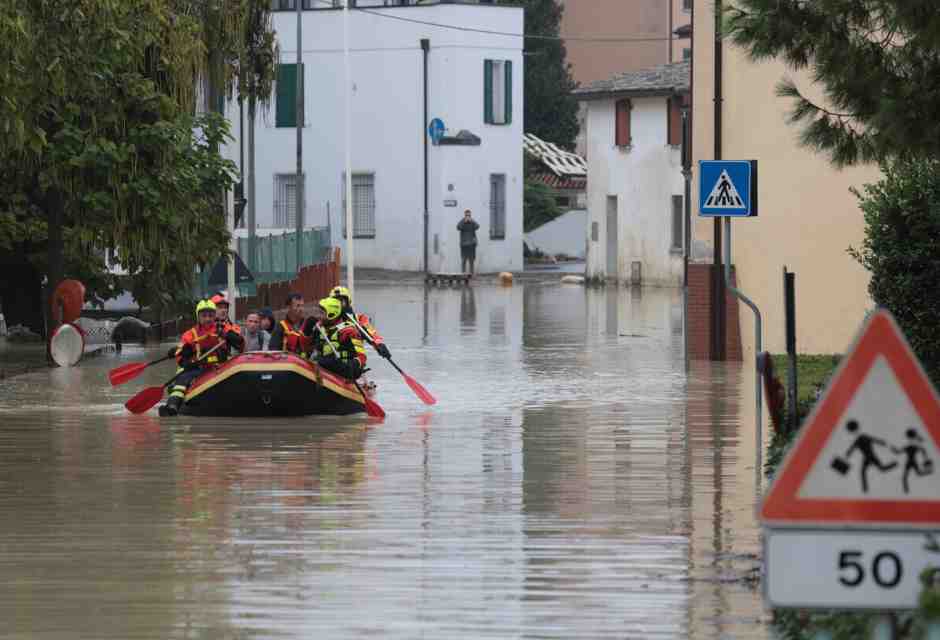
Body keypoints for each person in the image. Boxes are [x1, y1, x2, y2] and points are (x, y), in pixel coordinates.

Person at [159, 299, 244, 417]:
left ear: (215, 315)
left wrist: (230, 336)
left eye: (210, 315)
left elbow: (240, 343)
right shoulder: (190, 334)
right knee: (182, 380)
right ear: (198, 316)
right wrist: (185, 359)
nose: (208, 319)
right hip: (197, 367)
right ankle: (172, 406)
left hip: (220, 367)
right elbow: (180, 355)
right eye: (204, 316)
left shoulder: (223, 329)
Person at [310, 297, 367, 380]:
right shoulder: (320, 329)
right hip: (325, 365)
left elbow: (362, 356)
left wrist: (353, 365)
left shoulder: (349, 331)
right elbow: (313, 348)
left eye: (322, 313)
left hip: (345, 368)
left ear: (332, 314)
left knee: (329, 362)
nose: (319, 316)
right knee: (320, 360)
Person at [328, 285, 391, 359]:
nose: (339, 305)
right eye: (335, 302)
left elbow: (372, 333)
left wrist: (379, 345)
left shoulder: (359, 319)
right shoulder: (326, 319)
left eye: (341, 302)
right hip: (329, 358)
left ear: (348, 302)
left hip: (352, 361)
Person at [269, 293, 312, 357]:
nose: (301, 309)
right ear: (288, 307)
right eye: (297, 306)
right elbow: (273, 350)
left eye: (302, 306)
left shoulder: (308, 324)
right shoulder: (280, 326)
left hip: (305, 364)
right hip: (287, 363)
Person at [457, 209, 480, 275]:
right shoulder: (462, 221)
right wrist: (464, 221)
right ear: (465, 215)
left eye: (469, 215)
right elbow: (458, 227)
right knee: (464, 259)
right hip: (464, 244)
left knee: (471, 260)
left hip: (471, 244)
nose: (468, 216)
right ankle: (463, 273)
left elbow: (477, 226)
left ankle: (471, 273)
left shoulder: (472, 222)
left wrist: (472, 221)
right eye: (467, 215)